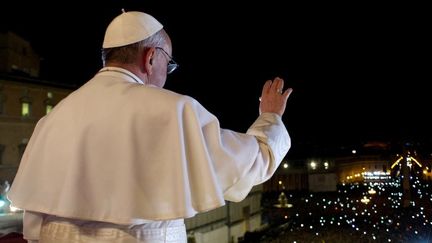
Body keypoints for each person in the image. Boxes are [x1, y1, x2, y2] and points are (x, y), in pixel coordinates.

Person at [7, 10, 293, 243]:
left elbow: (35, 225)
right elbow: (249, 163)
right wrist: (270, 118)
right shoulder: (173, 110)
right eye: (167, 65)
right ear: (151, 57)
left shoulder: (54, 116)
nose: (166, 76)